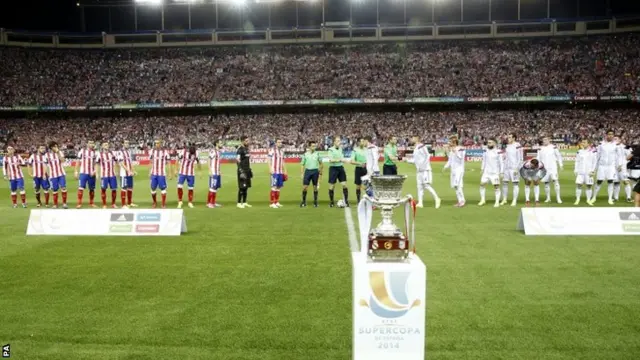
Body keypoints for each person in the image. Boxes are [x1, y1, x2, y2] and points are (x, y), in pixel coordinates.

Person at [408, 136, 441, 209]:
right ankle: (420, 203)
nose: (411, 139)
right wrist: (407, 160)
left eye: (413, 138)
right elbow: (415, 160)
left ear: (417, 138)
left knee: (426, 185)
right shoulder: (416, 148)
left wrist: (423, 165)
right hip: (419, 171)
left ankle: (437, 198)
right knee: (419, 187)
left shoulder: (422, 146)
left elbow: (427, 155)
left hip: (425, 170)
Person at [589, 130, 618, 205]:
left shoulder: (615, 145)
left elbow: (617, 156)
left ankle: (610, 199)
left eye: (612, 134)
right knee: (599, 181)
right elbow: (597, 157)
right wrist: (593, 169)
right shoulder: (601, 144)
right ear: (606, 135)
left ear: (613, 136)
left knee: (610, 182)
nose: (610, 136)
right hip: (602, 166)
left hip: (611, 167)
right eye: (609, 134)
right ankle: (594, 197)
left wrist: (618, 166)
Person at [536, 137, 564, 204]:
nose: (544, 141)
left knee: (555, 181)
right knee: (546, 183)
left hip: (553, 167)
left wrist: (561, 165)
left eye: (546, 140)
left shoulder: (553, 147)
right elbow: (538, 158)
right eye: (543, 140)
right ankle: (548, 198)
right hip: (544, 168)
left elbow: (558, 156)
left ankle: (558, 198)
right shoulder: (540, 148)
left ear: (549, 140)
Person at [478, 139, 504, 208]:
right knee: (482, 185)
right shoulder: (485, 151)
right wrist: (482, 169)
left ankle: (497, 202)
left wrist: (501, 172)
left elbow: (501, 162)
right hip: (486, 172)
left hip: (495, 173)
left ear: (494, 143)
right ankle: (482, 200)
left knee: (496, 186)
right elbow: (484, 160)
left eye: (490, 143)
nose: (488, 144)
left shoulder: (499, 152)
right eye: (488, 143)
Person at [443, 135, 466, 207]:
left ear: (454, 141)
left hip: (459, 169)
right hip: (453, 170)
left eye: (450, 141)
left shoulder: (461, 149)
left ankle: (462, 201)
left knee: (457, 185)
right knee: (455, 186)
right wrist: (445, 166)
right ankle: (460, 200)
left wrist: (455, 151)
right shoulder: (451, 151)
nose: (449, 143)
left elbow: (461, 158)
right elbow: (450, 160)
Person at [501, 133, 523, 206]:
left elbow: (520, 158)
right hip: (507, 168)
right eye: (508, 137)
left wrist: (517, 167)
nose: (508, 139)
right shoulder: (507, 146)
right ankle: (504, 199)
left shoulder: (518, 145)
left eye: (510, 137)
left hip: (514, 168)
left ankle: (514, 200)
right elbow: (505, 157)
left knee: (515, 184)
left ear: (514, 138)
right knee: (504, 183)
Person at [149, 139, 173, 209]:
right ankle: (154, 202)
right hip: (153, 173)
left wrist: (170, 173)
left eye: (158, 143)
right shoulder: (152, 151)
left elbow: (169, 162)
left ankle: (163, 204)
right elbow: (150, 162)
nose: (157, 144)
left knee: (163, 188)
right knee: (153, 188)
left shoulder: (164, 152)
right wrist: (149, 172)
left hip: (161, 173)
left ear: (161, 143)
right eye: (156, 143)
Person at [573, 139, 597, 206]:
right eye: (582, 142)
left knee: (589, 186)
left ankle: (588, 200)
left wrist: (593, 171)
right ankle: (577, 199)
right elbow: (577, 161)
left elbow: (594, 162)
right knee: (578, 185)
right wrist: (575, 170)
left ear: (588, 143)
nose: (583, 143)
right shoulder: (579, 151)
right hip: (580, 172)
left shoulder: (593, 151)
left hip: (589, 172)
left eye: (584, 142)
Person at [96, 142, 119, 209]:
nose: (107, 146)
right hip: (104, 175)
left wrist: (117, 171)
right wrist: (97, 173)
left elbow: (117, 162)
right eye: (105, 145)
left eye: (107, 145)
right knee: (103, 189)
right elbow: (97, 164)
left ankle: (113, 204)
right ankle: (104, 204)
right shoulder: (99, 154)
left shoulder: (112, 153)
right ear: (102, 146)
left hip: (112, 175)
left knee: (114, 189)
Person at [327, 136, 349, 208]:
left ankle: (346, 201)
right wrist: (340, 160)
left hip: (340, 168)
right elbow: (331, 160)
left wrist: (344, 161)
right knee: (332, 186)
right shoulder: (330, 150)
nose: (339, 142)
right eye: (337, 141)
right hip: (333, 168)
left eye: (339, 141)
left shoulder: (341, 149)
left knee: (344, 185)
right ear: (334, 142)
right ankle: (331, 202)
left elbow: (342, 158)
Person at [176, 144, 200, 209]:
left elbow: (198, 161)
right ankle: (180, 201)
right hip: (182, 172)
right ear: (189, 150)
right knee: (179, 186)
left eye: (193, 152)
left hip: (191, 173)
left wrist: (199, 171)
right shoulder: (183, 152)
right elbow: (177, 159)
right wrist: (176, 169)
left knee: (191, 188)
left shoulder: (196, 153)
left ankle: (190, 202)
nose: (192, 154)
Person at [75, 140, 97, 208]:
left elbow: (95, 163)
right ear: (87, 144)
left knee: (92, 189)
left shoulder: (95, 153)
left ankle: (91, 203)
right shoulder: (82, 151)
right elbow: (78, 161)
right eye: (90, 143)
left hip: (91, 173)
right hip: (83, 173)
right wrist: (76, 171)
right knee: (81, 188)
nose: (91, 144)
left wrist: (95, 171)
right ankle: (79, 203)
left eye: (92, 143)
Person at [46, 141, 68, 209]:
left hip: (61, 174)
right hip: (53, 175)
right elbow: (45, 165)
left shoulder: (60, 152)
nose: (56, 147)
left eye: (56, 146)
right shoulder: (47, 155)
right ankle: (55, 204)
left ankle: (64, 203)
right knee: (55, 190)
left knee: (63, 188)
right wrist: (47, 174)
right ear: (51, 147)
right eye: (54, 146)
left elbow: (63, 160)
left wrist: (58, 152)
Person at [300, 141, 322, 208]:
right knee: (305, 187)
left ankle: (315, 202)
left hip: (315, 171)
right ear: (309, 146)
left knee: (315, 187)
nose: (314, 147)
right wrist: (302, 173)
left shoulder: (317, 154)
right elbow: (302, 164)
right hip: (308, 171)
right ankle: (304, 201)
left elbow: (321, 163)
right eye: (312, 146)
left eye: (314, 146)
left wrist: (320, 171)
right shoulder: (305, 154)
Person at [116, 140, 136, 208]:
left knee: (130, 188)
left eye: (128, 143)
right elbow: (121, 163)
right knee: (124, 188)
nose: (127, 144)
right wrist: (128, 170)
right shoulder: (120, 152)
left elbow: (131, 162)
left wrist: (133, 171)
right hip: (124, 173)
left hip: (129, 174)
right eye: (125, 143)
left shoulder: (129, 151)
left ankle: (129, 203)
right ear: (123, 144)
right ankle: (123, 205)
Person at [268, 138, 287, 208]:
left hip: (280, 172)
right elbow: (269, 160)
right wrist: (270, 168)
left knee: (279, 187)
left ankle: (276, 202)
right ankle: (272, 203)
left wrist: (285, 170)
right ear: (275, 143)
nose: (280, 143)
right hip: (274, 171)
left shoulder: (282, 151)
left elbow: (283, 161)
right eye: (278, 142)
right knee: (274, 186)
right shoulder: (272, 150)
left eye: (281, 142)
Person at [614, 136, 633, 203]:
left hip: (622, 168)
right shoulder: (612, 147)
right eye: (614, 139)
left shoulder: (624, 147)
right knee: (616, 183)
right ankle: (616, 198)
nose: (615, 140)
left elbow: (631, 155)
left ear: (620, 140)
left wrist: (623, 164)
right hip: (614, 168)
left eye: (616, 139)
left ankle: (628, 197)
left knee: (626, 182)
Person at [236, 136, 253, 209]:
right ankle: (239, 203)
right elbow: (237, 160)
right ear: (242, 141)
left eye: (248, 141)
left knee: (246, 187)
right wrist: (241, 170)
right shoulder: (240, 150)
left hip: (247, 170)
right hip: (242, 171)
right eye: (246, 141)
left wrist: (249, 170)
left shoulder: (247, 149)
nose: (248, 142)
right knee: (242, 187)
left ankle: (245, 202)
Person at [349, 137, 368, 204]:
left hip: (366, 169)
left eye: (363, 141)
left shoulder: (367, 149)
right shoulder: (355, 150)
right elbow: (351, 161)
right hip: (358, 169)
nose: (363, 143)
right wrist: (360, 163)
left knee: (366, 186)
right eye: (361, 141)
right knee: (358, 186)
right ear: (358, 142)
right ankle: (358, 200)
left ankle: (367, 200)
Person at [207, 140, 223, 208]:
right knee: (212, 187)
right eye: (220, 143)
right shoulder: (213, 151)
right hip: (213, 172)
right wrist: (210, 170)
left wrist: (219, 171)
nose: (221, 144)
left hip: (217, 172)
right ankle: (209, 203)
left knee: (215, 187)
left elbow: (217, 162)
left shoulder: (219, 152)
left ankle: (213, 202)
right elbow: (209, 160)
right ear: (217, 144)